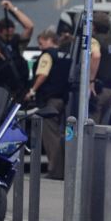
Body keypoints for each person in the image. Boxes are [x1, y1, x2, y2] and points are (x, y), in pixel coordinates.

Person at [26, 29, 71, 180]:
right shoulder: (65, 55)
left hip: (49, 99)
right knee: (59, 134)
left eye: (41, 43)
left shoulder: (47, 55)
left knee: (51, 136)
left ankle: (55, 170)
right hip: (62, 99)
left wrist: (32, 91)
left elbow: (42, 75)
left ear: (49, 40)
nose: (40, 47)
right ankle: (61, 169)